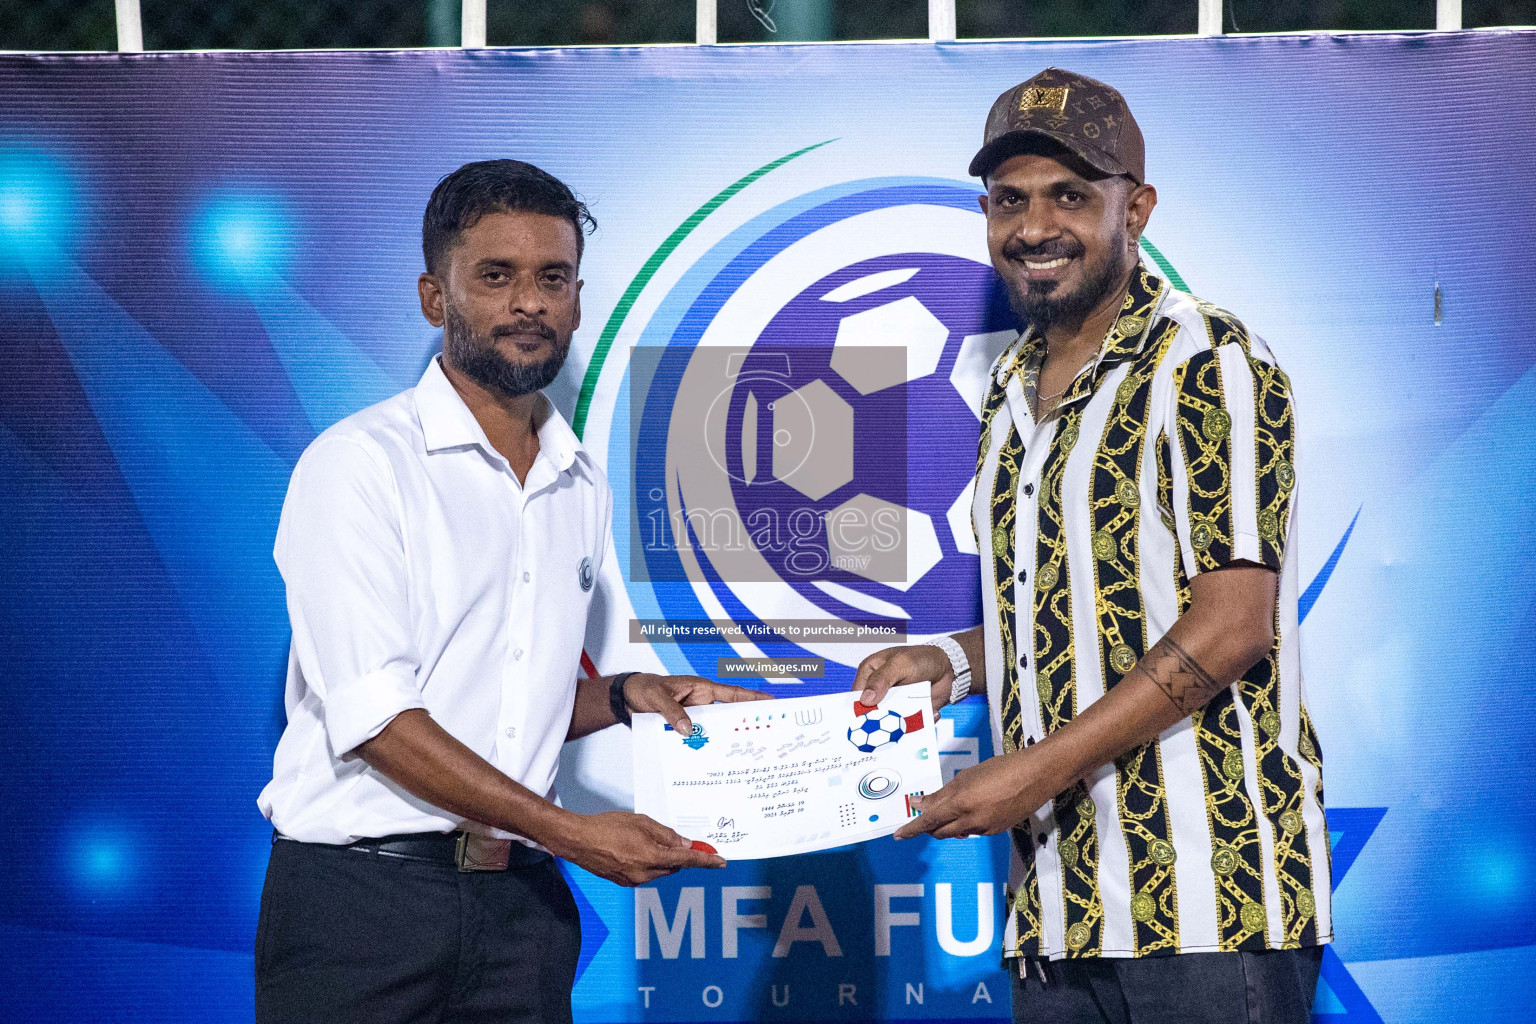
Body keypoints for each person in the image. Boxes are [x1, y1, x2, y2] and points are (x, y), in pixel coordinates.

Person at [855, 69, 1329, 1023]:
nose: (1036, 226)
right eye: (1011, 200)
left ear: (1137, 208)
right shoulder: (1010, 388)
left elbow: (1233, 626)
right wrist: (945, 662)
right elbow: (1069, 617)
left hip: (1209, 909)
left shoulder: (1208, 359)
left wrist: (1032, 770)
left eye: (1071, 195)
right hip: (1056, 913)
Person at [255, 159, 765, 1024]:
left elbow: (502, 702)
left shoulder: (580, 481)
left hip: (522, 913)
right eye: (496, 277)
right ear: (433, 297)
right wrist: (568, 831)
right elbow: (378, 719)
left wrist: (625, 695)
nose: (530, 302)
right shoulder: (359, 466)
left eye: (553, 279)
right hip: (363, 910)